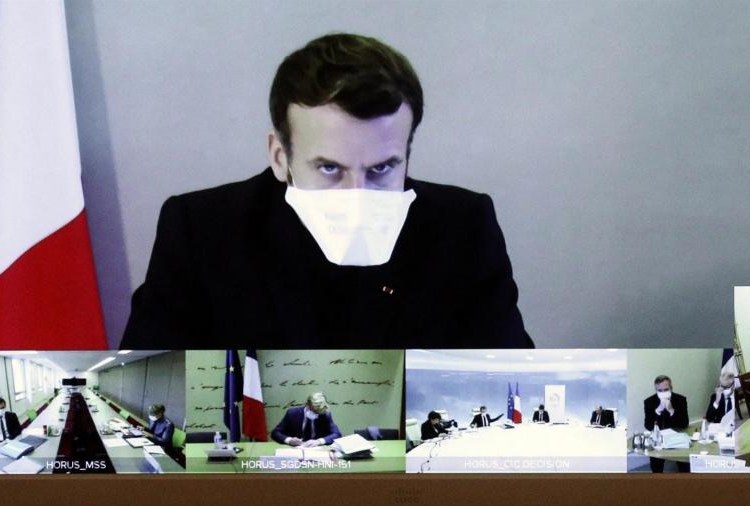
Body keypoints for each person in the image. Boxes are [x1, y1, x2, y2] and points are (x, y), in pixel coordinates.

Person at [120, 33, 532, 349]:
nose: (357, 193)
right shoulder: (202, 229)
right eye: (330, 168)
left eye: (382, 168)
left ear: (407, 154)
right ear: (280, 156)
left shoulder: (463, 225)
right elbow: (158, 376)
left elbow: (504, 371)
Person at [642, 375, 690, 473]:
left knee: (684, 465)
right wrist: (658, 411)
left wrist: (672, 410)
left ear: (671, 388)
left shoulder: (680, 400)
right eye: (660, 390)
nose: (663, 393)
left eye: (666, 389)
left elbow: (684, 423)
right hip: (659, 439)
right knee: (656, 465)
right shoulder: (649, 402)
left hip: (676, 438)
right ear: (656, 390)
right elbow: (648, 425)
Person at [271, 392, 342, 446]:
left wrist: (319, 441)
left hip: (316, 450)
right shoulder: (292, 413)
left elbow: (337, 434)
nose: (316, 414)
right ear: (307, 404)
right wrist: (289, 440)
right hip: (295, 449)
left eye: (318, 412)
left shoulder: (324, 414)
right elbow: (275, 433)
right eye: (314, 411)